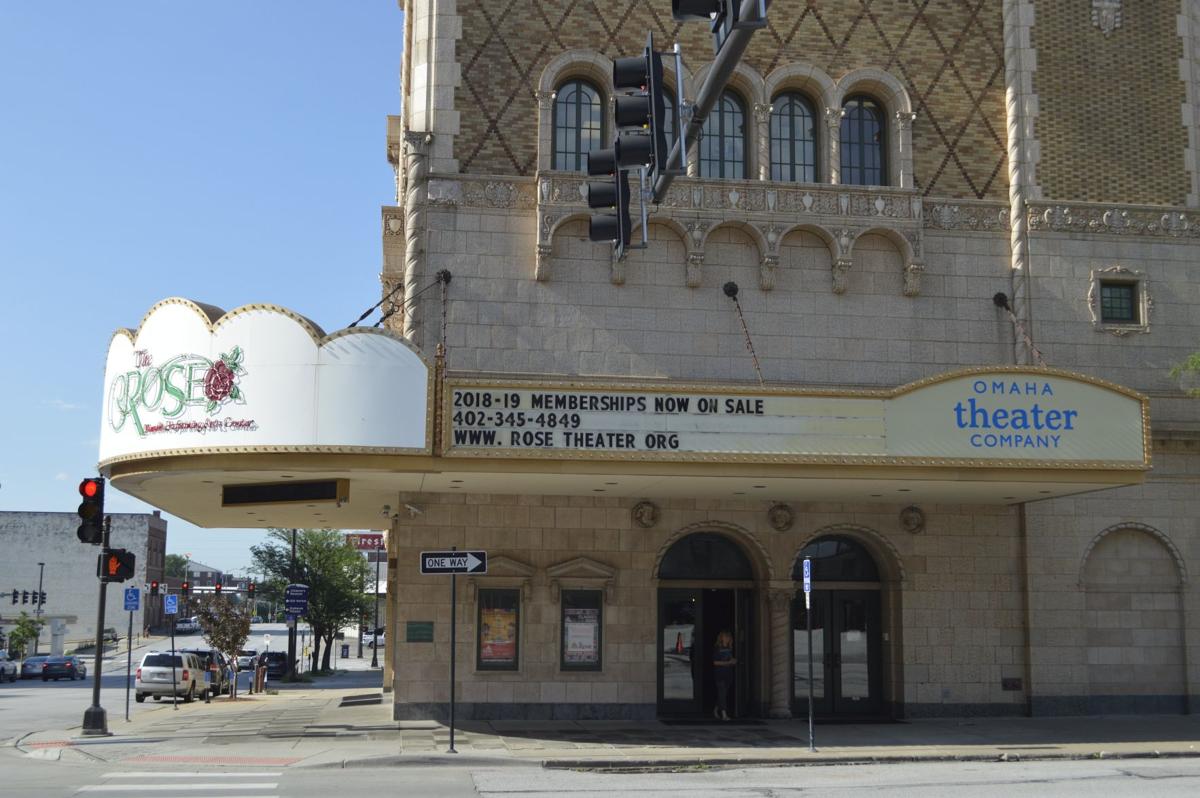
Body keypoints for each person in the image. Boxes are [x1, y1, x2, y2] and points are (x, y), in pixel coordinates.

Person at [713, 629, 736, 721]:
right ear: (721, 638)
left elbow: (730, 659)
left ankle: (716, 709)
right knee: (722, 694)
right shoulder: (717, 648)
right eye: (725, 637)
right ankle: (724, 714)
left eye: (728, 637)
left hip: (728, 674)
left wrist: (733, 661)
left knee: (723, 694)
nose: (727, 639)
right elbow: (715, 662)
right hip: (720, 674)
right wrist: (727, 663)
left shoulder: (730, 648)